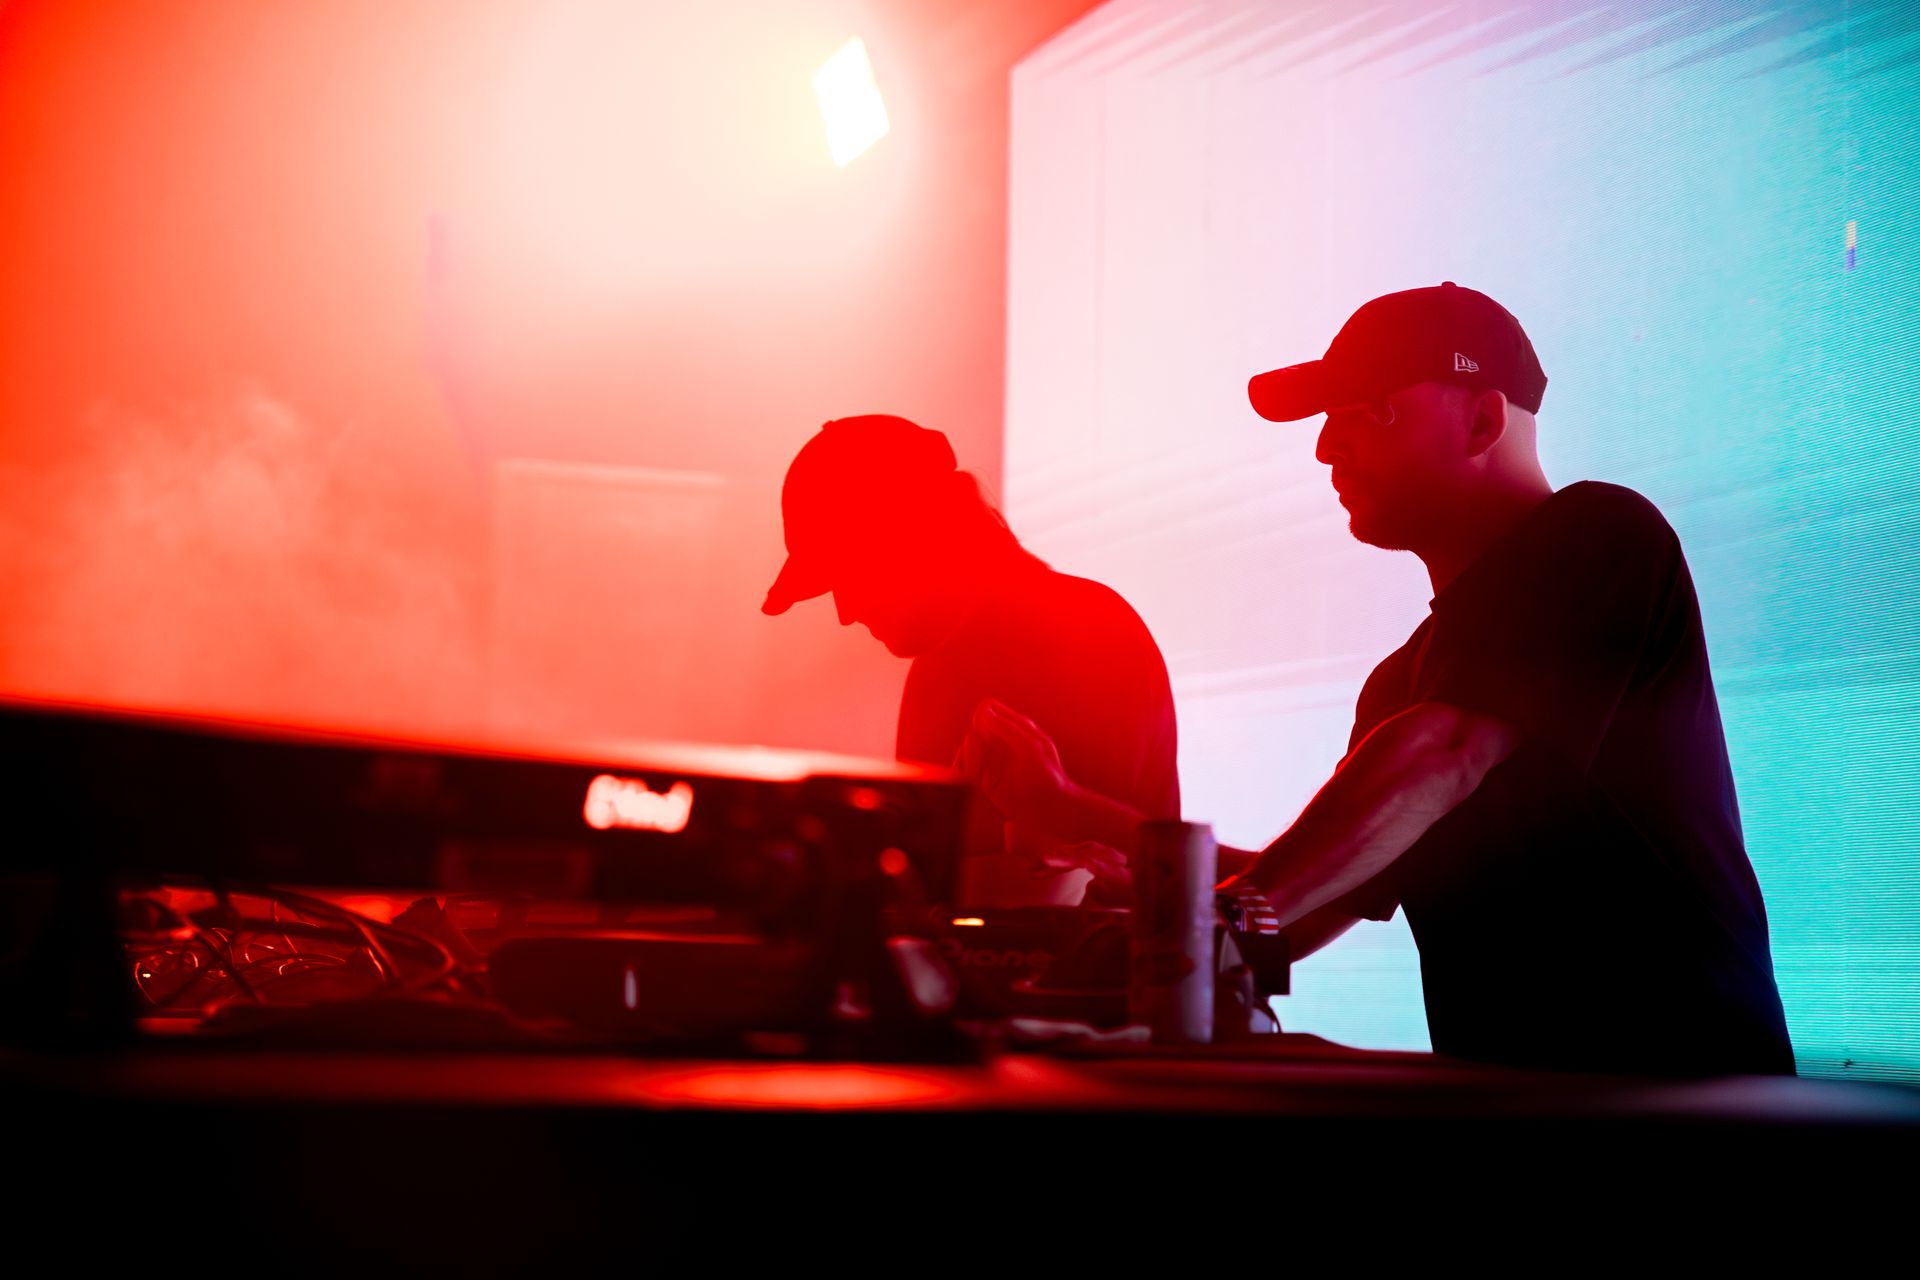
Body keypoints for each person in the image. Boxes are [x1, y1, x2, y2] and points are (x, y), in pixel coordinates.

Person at [959, 284, 1794, 1076]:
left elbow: (1447, 754)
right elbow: (1311, 901)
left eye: (1370, 410)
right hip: (1529, 1105)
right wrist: (1069, 807)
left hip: (1690, 1104)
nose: (1325, 444)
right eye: (1326, 419)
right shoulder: (1403, 688)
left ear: (1481, 419)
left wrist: (1221, 917)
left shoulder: (1604, 533)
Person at [763, 414, 1178, 905]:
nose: (846, 612)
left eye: (851, 574)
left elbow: (1097, 886)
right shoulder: (935, 670)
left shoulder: (1088, 632)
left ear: (918, 533)